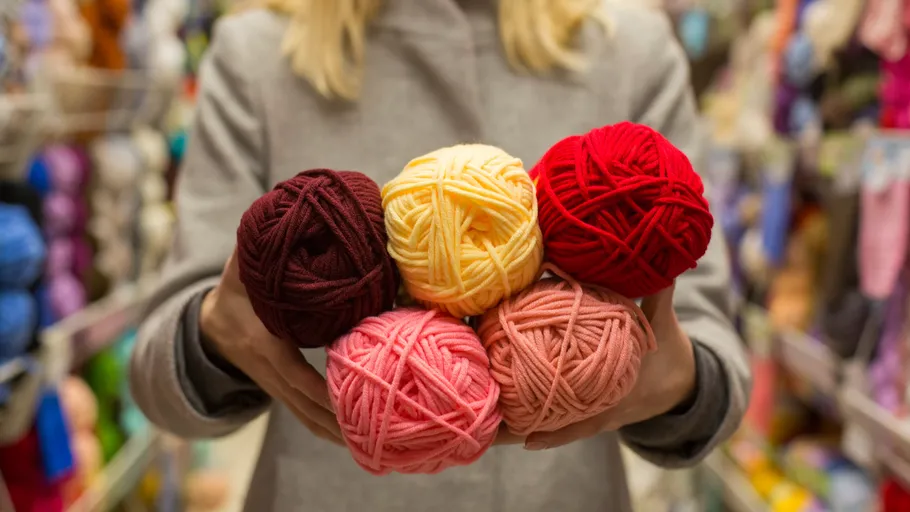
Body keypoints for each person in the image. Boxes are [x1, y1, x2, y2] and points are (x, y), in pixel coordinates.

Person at [130, 1, 751, 510]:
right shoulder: (257, 52)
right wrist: (216, 334)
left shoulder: (630, 47)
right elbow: (155, 376)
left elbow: (711, 342)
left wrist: (679, 384)